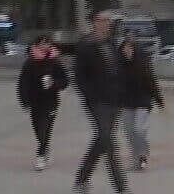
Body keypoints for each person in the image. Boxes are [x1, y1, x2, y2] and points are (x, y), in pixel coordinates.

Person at [72, 10, 130, 193]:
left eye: (109, 21)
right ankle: (121, 187)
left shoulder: (113, 44)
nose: (107, 24)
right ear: (95, 22)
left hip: (115, 99)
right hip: (97, 101)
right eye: (103, 21)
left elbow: (119, 69)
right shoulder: (85, 45)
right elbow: (79, 76)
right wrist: (89, 96)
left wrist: (127, 57)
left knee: (101, 141)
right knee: (109, 142)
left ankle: (81, 179)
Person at [17, 35, 70, 171]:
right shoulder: (30, 62)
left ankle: (40, 155)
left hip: (51, 101)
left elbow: (65, 80)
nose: (46, 45)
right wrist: (24, 100)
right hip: (35, 101)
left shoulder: (55, 61)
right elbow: (23, 83)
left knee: (46, 128)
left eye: (48, 43)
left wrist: (54, 83)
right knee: (37, 129)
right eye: (43, 43)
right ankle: (45, 148)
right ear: (37, 45)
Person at [117, 38, 164, 171]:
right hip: (126, 103)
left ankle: (143, 154)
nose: (127, 51)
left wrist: (159, 100)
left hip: (142, 102)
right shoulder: (118, 65)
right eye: (125, 48)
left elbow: (151, 81)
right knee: (129, 131)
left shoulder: (142, 63)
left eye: (130, 48)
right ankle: (135, 157)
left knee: (139, 129)